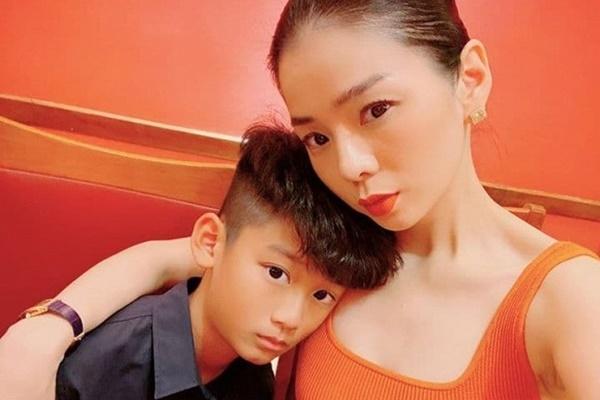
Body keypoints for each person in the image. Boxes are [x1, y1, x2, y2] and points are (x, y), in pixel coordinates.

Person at [2, 0, 600, 399]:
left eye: (376, 109)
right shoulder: (339, 242)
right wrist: (45, 333)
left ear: (470, 79)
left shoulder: (569, 298)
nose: (350, 166)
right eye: (317, 137)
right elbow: (177, 255)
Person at [1, 123, 399, 400]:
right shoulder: (108, 362)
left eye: (322, 295)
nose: (291, 318)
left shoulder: (252, 376)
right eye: (277, 273)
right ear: (210, 242)